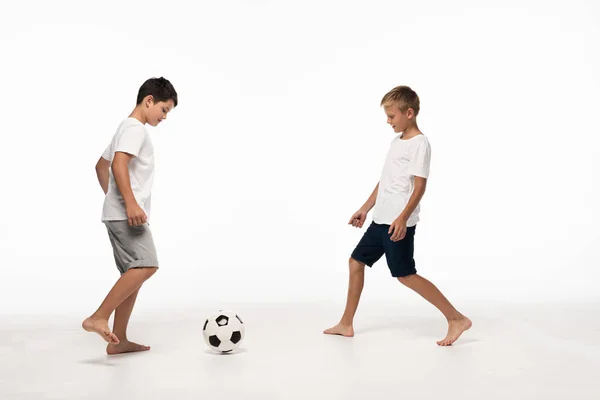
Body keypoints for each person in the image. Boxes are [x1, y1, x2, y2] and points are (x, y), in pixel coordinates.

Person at [324, 85, 471, 346]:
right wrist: (365, 208)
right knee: (356, 262)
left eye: (392, 116)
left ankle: (456, 318)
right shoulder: (396, 142)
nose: (388, 121)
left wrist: (403, 218)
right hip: (379, 219)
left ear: (410, 113)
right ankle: (346, 323)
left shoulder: (420, 144)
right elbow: (386, 182)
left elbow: (420, 186)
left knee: (405, 274)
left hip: (396, 223)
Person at [82, 77, 178, 354]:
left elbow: (102, 166)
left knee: (133, 273)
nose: (164, 117)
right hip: (127, 215)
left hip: (119, 212)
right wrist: (129, 203)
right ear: (149, 100)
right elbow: (118, 164)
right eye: (164, 109)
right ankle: (98, 317)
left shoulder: (124, 128)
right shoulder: (135, 129)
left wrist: (115, 200)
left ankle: (119, 340)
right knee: (146, 266)